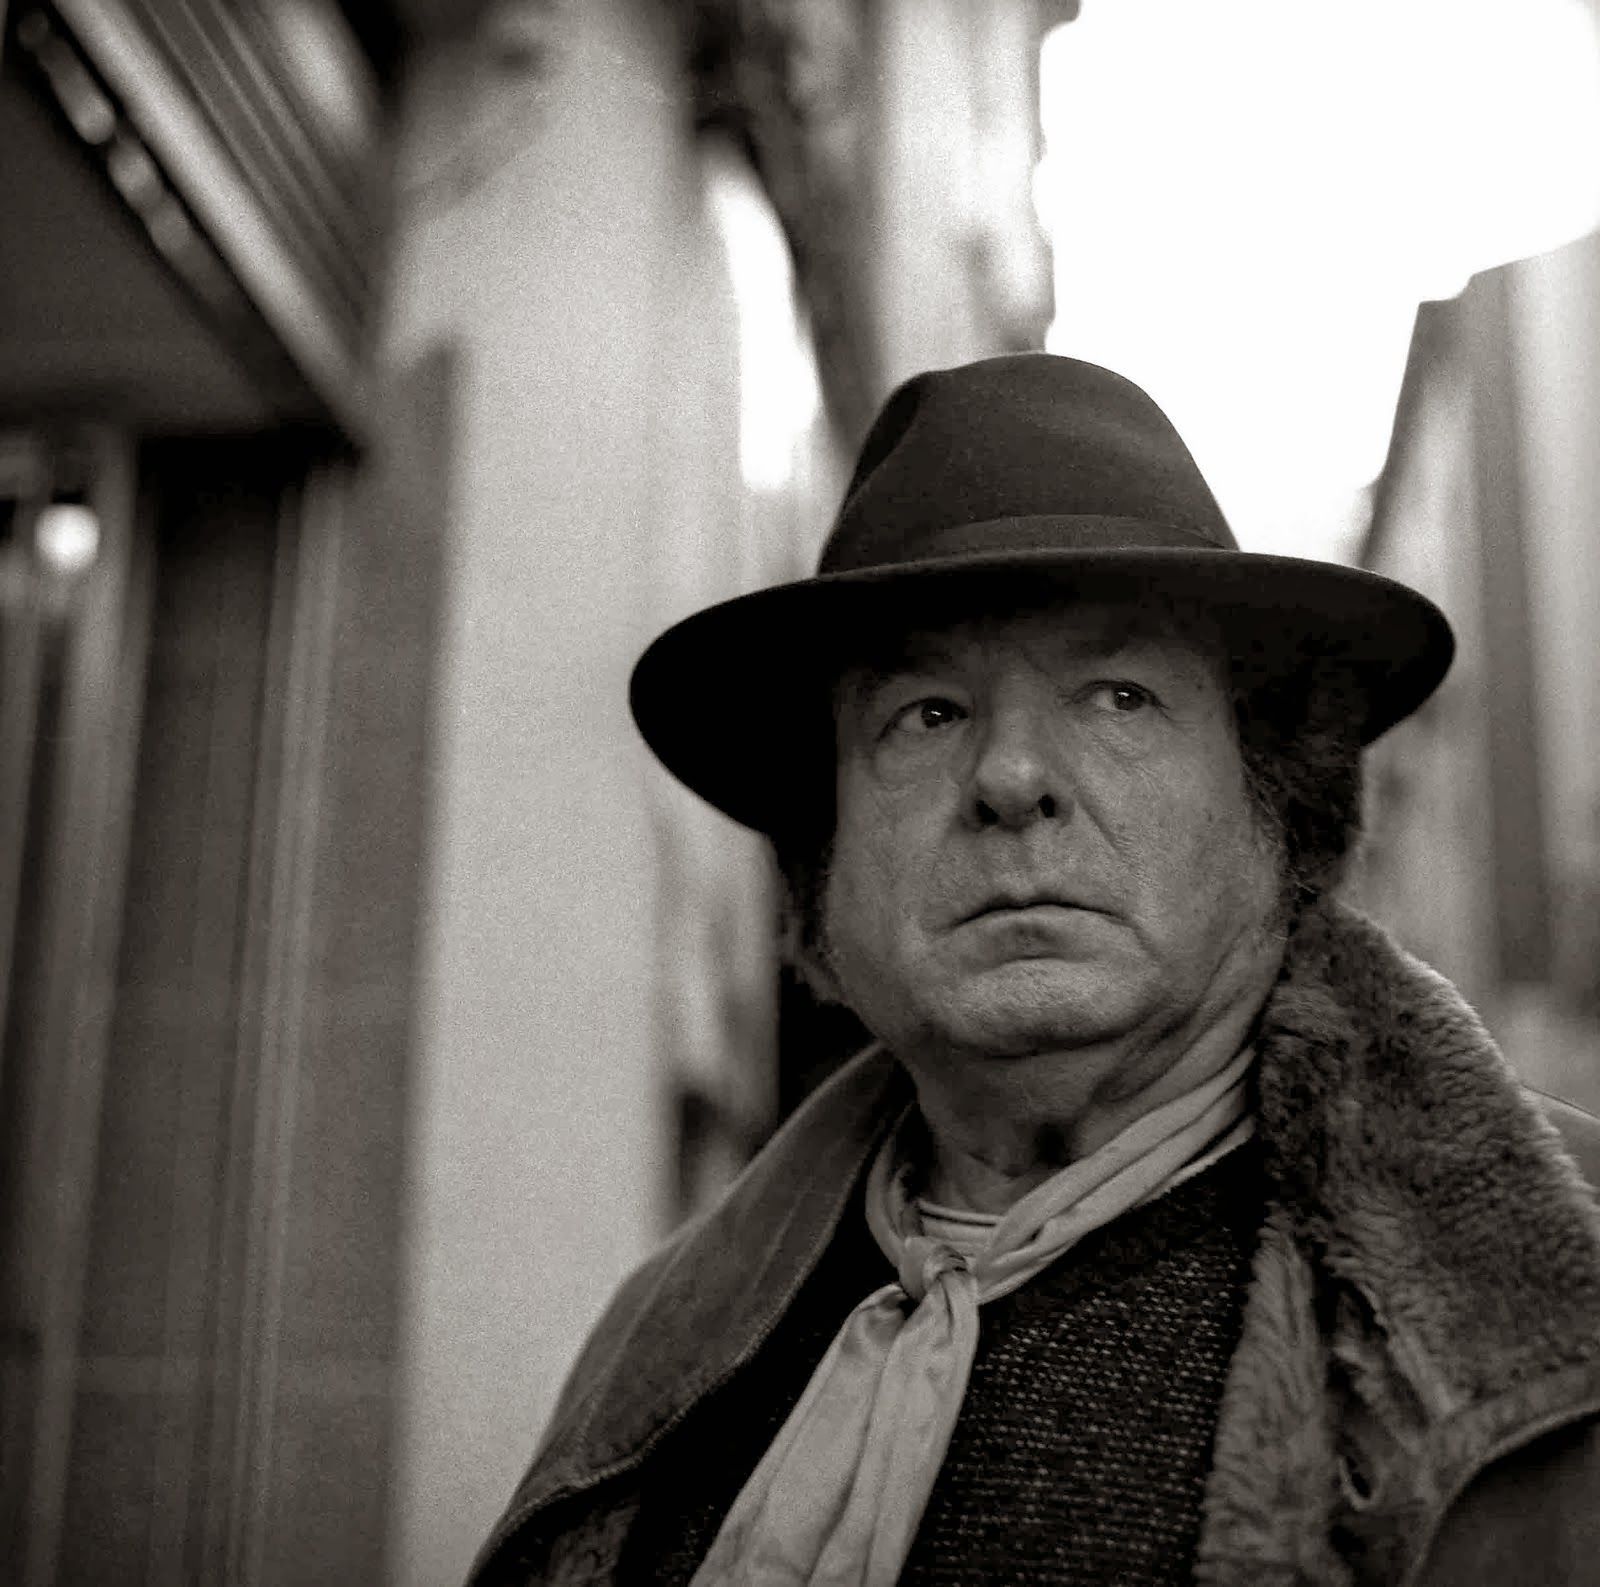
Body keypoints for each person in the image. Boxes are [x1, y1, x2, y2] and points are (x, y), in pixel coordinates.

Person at [467, 354, 1600, 1586]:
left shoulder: (1563, 1293)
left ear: (1276, 813)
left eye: (1118, 696)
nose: (1010, 778)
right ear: (823, 866)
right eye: (927, 714)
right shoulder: (652, 1353)